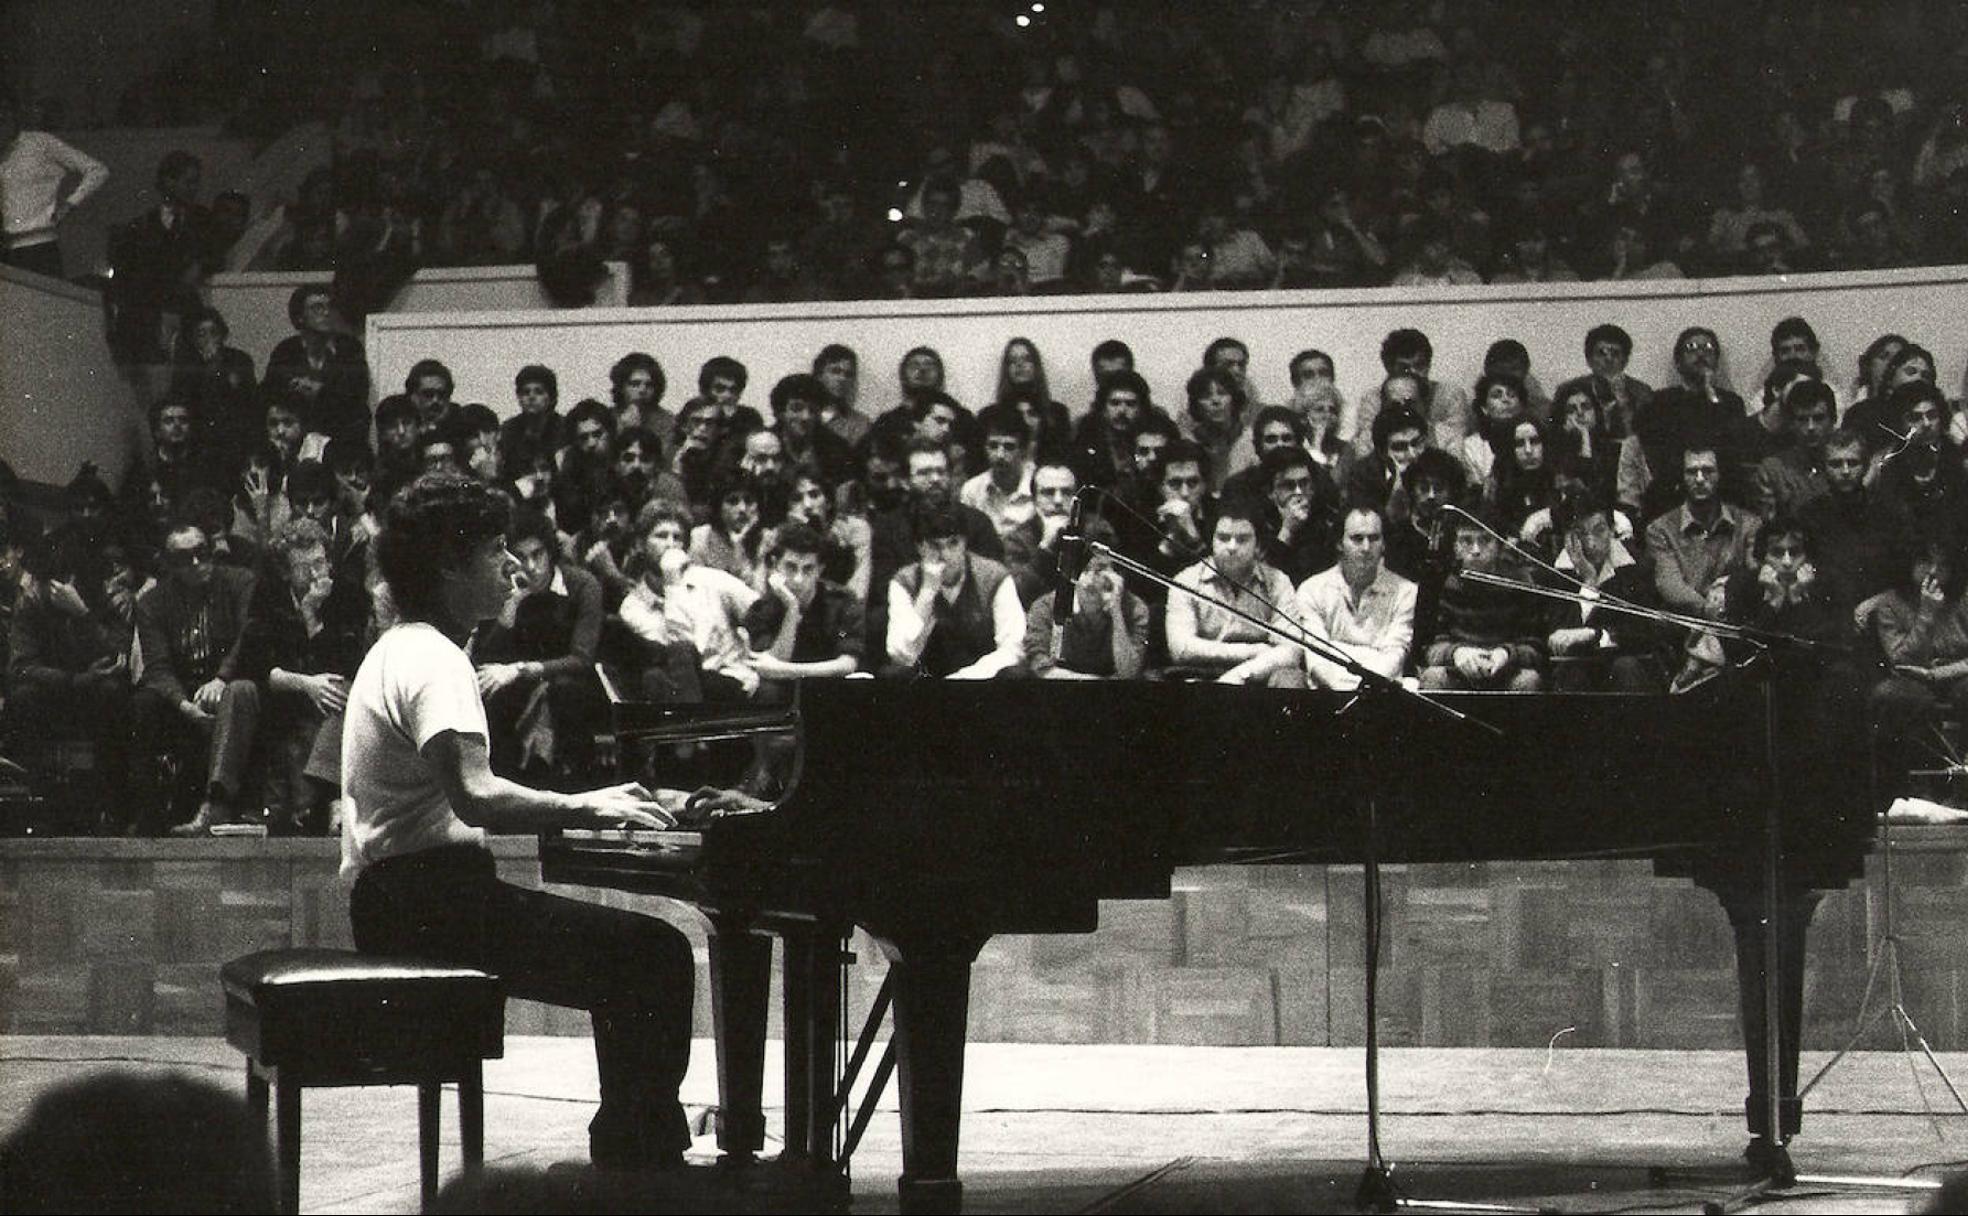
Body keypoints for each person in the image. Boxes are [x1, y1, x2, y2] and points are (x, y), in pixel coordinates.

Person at [342, 471, 700, 1173]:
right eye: (496, 550)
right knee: (652, 955)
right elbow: (477, 796)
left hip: (405, 899)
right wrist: (586, 804)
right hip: (428, 904)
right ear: (449, 564)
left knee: (636, 955)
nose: (513, 568)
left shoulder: (402, 647)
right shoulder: (434, 659)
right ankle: (643, 1170)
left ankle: (633, 1149)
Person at [133, 520, 260, 835]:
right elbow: (157, 667)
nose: (195, 563)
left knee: (239, 691)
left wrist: (221, 677)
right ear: (170, 564)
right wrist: (183, 705)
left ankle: (214, 804)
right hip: (184, 689)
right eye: (183, 557)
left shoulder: (240, 581)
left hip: (229, 681)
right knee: (142, 703)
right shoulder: (152, 603)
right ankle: (146, 812)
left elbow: (248, 637)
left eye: (201, 552)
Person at [472, 508, 609, 782]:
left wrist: (522, 669)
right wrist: (511, 605)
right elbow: (485, 658)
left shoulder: (582, 585)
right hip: (521, 687)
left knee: (560, 696)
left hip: (574, 684)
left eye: (538, 555)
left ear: (550, 552)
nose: (532, 566)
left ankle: (553, 777)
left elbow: (581, 659)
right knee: (492, 693)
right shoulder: (503, 588)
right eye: (521, 558)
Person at [1165, 499, 1302, 686]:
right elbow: (1181, 649)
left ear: (1258, 546)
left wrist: (1238, 676)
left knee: (1290, 680)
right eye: (1223, 537)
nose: (1231, 547)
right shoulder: (1186, 580)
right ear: (1212, 541)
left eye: (1242, 539)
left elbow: (1291, 650)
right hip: (1200, 676)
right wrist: (1252, 651)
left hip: (1257, 674)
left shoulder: (1278, 582)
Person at [884, 499, 1024, 680]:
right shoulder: (904, 581)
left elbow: (1013, 647)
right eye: (935, 545)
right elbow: (901, 655)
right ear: (919, 547)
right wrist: (927, 592)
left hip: (980, 680)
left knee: (1015, 673)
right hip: (926, 683)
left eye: (953, 543)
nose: (945, 555)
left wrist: (965, 678)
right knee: (893, 674)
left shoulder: (994, 576)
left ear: (965, 542)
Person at [1417, 507, 1546, 691]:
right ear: (1455, 546)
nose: (1476, 550)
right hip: (1459, 669)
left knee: (1529, 680)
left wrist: (1506, 654)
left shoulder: (1521, 582)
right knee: (1433, 677)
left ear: (1499, 545)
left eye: (1485, 540)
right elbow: (1431, 648)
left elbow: (1536, 648)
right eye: (1466, 541)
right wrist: (1457, 653)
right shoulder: (1444, 582)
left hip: (1507, 669)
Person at [1292, 505, 1417, 690]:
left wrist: (1362, 688)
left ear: (1384, 544)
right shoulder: (1312, 589)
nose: (1366, 548)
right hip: (1327, 694)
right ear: (1339, 543)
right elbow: (1317, 657)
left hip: (1381, 693)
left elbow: (1394, 655)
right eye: (1357, 539)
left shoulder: (1407, 592)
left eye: (1374, 538)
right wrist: (1343, 689)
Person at [1021, 518, 1149, 680]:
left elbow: (1129, 673)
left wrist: (1116, 612)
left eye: (1101, 569)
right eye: (1083, 569)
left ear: (1117, 573)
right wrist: (1090, 683)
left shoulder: (1135, 609)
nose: (1089, 580)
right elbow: (1042, 668)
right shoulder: (1045, 607)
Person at [0, 93, 109, 277]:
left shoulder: (40, 143)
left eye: (4, 115)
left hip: (39, 247)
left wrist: (69, 204)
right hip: (6, 250)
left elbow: (97, 170)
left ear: (14, 115)